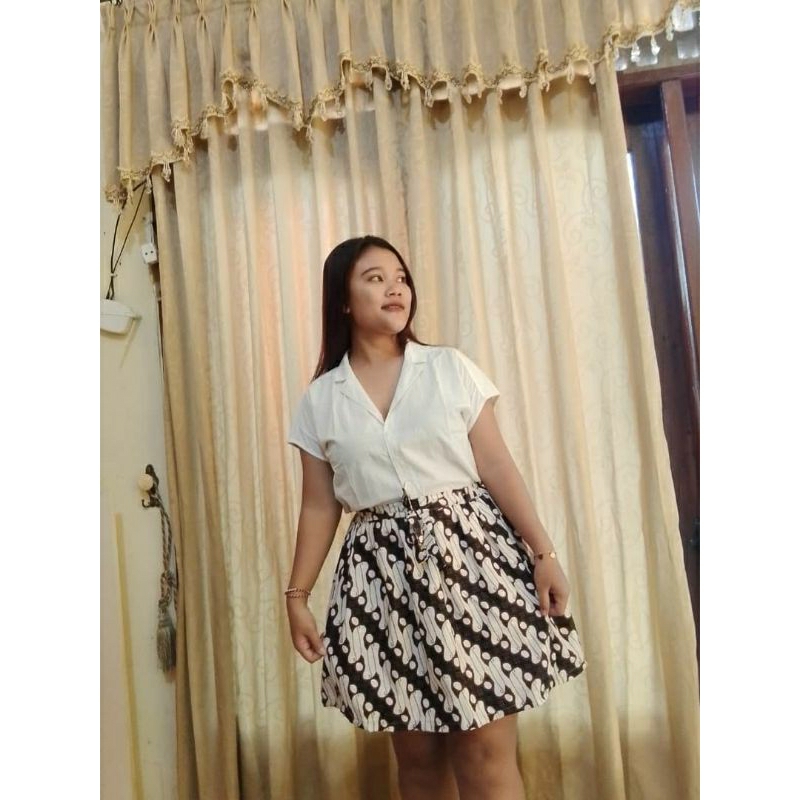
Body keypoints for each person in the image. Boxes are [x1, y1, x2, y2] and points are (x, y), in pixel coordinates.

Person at [286, 235, 586, 799]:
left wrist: (544, 553)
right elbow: (319, 505)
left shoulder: (448, 368)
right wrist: (297, 596)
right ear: (343, 300)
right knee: (418, 757)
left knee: (483, 749)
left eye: (400, 277)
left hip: (471, 561)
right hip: (380, 578)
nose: (395, 288)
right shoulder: (320, 400)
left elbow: (496, 465)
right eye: (375, 278)